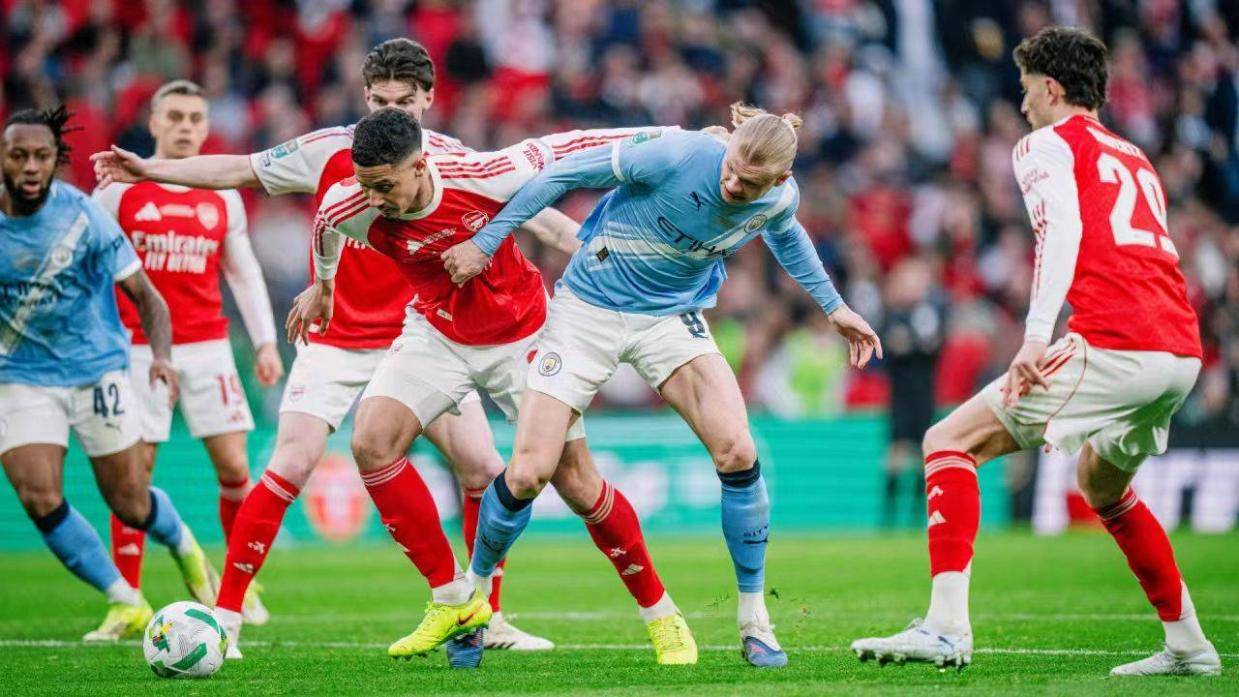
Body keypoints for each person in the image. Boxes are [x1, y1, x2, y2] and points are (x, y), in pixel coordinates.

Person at [91, 38, 553, 656]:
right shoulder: (329, 150)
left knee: (483, 468)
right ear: (365, 97)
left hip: (421, 334)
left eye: (404, 101)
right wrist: (152, 170)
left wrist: (587, 247)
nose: (392, 111)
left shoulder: (451, 159)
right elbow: (239, 169)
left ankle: (484, 617)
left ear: (428, 99)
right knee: (290, 462)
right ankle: (226, 618)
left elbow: (528, 207)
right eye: (381, 101)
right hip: (336, 337)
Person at [440, 103, 883, 668]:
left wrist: (835, 307)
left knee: (738, 449)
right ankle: (472, 605)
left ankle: (755, 621)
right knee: (528, 472)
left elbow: (786, 234)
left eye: (749, 183)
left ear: (780, 179)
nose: (732, 184)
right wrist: (486, 241)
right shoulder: (675, 154)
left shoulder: (778, 198)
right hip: (588, 311)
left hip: (670, 318)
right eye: (731, 169)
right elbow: (562, 174)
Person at [850, 27, 1220, 676]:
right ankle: (1190, 645)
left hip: (1117, 343)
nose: (1022, 106)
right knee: (1101, 484)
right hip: (1179, 353)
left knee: (947, 441)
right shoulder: (1133, 154)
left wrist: (1035, 336)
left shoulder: (1045, 144)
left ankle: (944, 627)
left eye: (1026, 91)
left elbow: (1060, 230)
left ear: (1050, 88)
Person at [290, 107, 698, 668]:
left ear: (419, 166)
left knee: (577, 483)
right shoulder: (350, 203)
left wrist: (682, 137)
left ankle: (661, 613)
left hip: (523, 336)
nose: (375, 198)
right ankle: (453, 600)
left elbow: (575, 143)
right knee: (371, 442)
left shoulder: (484, 174)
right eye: (366, 185)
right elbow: (324, 227)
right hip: (436, 332)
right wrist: (324, 287)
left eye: (385, 185)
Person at [0, 106, 219, 642]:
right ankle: (126, 599)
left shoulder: (83, 217)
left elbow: (148, 297)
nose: (30, 166)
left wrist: (161, 358)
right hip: (21, 375)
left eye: (41, 156)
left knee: (130, 502)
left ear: (56, 159)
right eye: (19, 155)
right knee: (38, 495)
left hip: (96, 372)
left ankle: (183, 543)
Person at [92, 79, 282, 627]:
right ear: (153, 122)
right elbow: (88, 268)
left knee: (235, 468)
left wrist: (266, 342)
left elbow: (243, 272)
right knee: (134, 475)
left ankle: (240, 585)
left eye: (195, 118)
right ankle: (127, 599)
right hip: (136, 349)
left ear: (206, 128)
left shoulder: (222, 195)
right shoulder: (117, 192)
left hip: (208, 347)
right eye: (174, 116)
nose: (185, 127)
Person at [878, 257, 945, 527]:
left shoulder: (932, 313)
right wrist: (917, 346)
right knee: (896, 452)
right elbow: (891, 346)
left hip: (924, 394)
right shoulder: (893, 315)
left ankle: (917, 517)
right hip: (900, 395)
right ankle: (889, 517)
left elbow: (935, 346)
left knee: (922, 452)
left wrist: (911, 345)